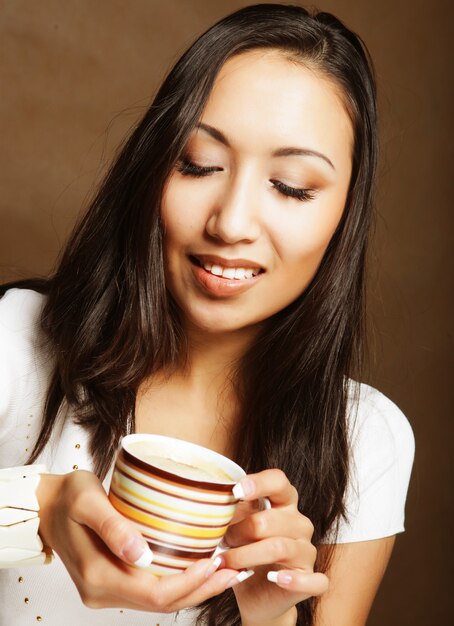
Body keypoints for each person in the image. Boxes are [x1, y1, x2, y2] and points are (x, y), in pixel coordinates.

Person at [0, 3, 414, 625]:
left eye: (293, 186)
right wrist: (39, 507)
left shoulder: (364, 441)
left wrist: (269, 616)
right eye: (198, 163)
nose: (232, 223)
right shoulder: (18, 344)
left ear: (345, 216)